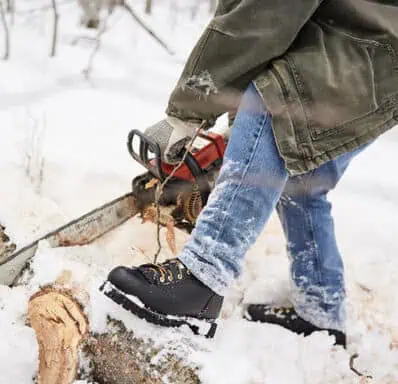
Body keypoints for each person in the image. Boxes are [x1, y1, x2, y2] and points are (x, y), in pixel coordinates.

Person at [103, 1, 398, 346]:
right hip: (376, 42)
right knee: (304, 174)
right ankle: (321, 306)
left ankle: (203, 276)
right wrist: (241, 135)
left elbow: (264, 16)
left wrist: (187, 112)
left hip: (370, 45)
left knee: (277, 101)